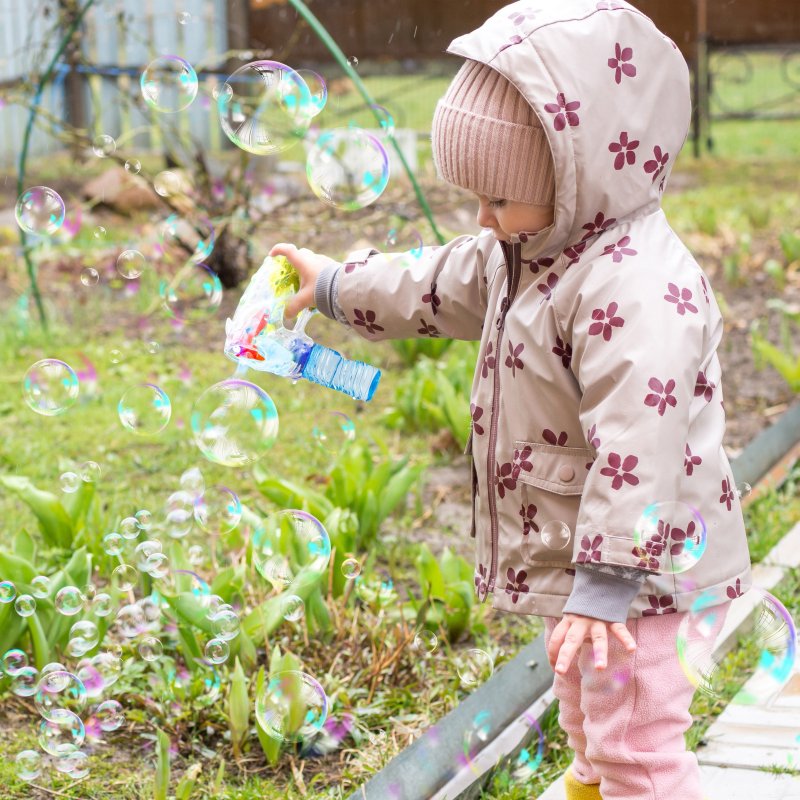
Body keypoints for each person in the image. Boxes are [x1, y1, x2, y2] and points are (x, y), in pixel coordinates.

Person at [269, 2, 752, 798]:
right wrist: (327, 283)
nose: (481, 217)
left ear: (574, 175)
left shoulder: (639, 290)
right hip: (591, 573)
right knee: (591, 731)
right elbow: (424, 284)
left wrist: (607, 586)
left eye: (498, 197)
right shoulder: (519, 250)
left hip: (644, 575)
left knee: (635, 749)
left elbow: (641, 445)